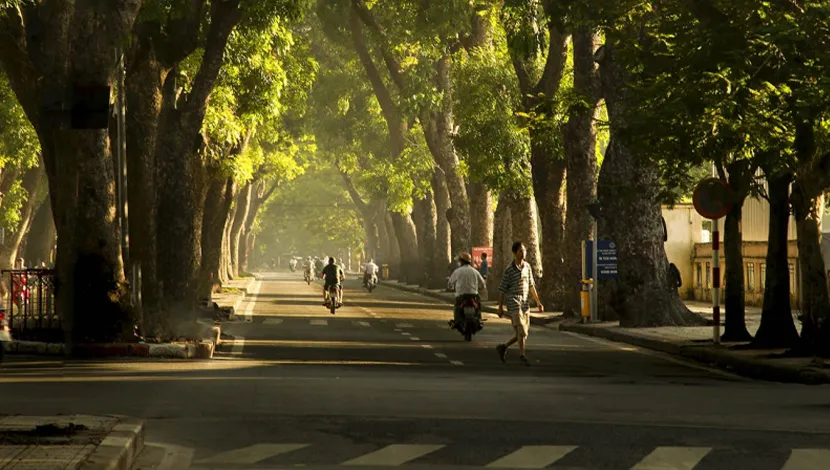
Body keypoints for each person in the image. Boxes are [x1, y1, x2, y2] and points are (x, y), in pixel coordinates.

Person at [496, 241, 544, 366]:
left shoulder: (527, 267)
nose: (523, 253)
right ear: (514, 253)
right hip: (514, 301)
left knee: (522, 333)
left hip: (525, 303)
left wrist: (538, 302)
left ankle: (504, 346)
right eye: (520, 251)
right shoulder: (509, 270)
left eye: (524, 251)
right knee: (521, 330)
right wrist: (500, 307)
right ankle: (522, 355)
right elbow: (502, 289)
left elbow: (531, 285)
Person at [448, 252, 486, 329]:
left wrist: (450, 287)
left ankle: (456, 321)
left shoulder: (457, 271)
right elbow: (482, 283)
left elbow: (450, 283)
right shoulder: (475, 271)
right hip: (473, 295)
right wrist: (481, 287)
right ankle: (479, 319)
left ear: (461, 261)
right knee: (478, 305)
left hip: (461, 295)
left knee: (456, 306)